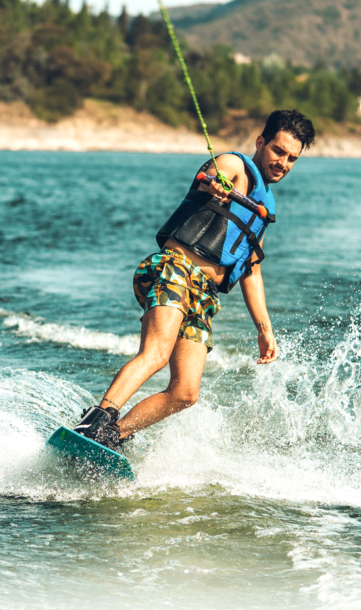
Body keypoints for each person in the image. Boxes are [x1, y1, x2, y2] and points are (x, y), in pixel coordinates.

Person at [74, 109, 316, 448]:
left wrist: (264, 330)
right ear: (261, 142)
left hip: (204, 295)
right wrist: (215, 184)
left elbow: (251, 270)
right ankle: (95, 420)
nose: (283, 163)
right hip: (175, 269)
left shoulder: (264, 208)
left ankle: (111, 437)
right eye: (278, 151)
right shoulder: (234, 165)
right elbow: (210, 175)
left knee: (185, 393)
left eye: (292, 158)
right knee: (156, 353)